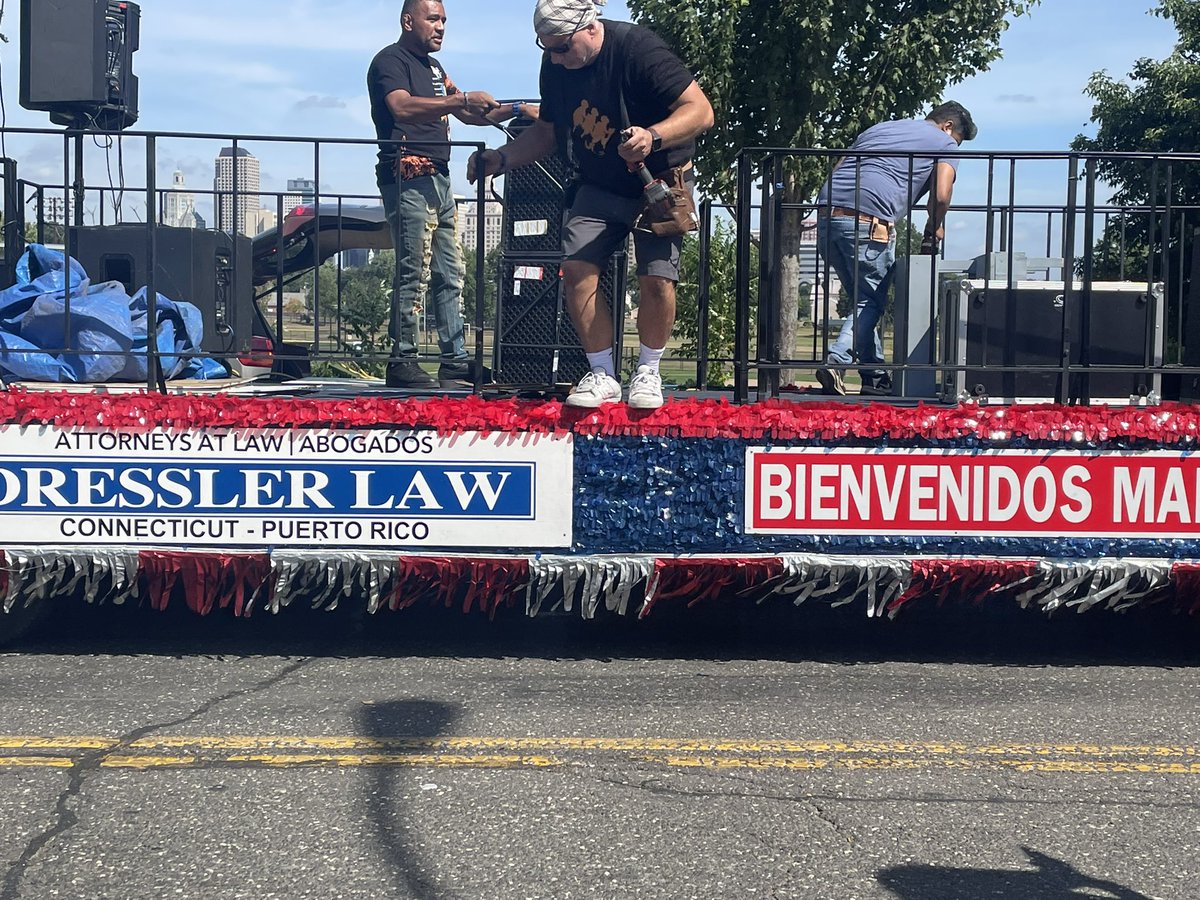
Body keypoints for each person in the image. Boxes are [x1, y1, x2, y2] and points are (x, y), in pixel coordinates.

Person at [467, 0, 713, 409]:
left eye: (562, 47)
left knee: (657, 279)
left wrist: (653, 136)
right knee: (577, 269)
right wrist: (501, 159)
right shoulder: (556, 64)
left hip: (659, 181)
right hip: (598, 184)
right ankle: (603, 374)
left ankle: (648, 372)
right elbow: (546, 132)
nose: (555, 58)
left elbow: (701, 111)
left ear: (591, 29)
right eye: (546, 48)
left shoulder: (639, 49)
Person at [368, 0, 537, 388]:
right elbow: (402, 108)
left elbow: (472, 114)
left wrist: (519, 109)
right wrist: (461, 100)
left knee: (451, 272)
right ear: (408, 21)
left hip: (440, 179)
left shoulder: (435, 68)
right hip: (407, 174)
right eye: (433, 19)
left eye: (444, 20)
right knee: (414, 269)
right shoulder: (390, 61)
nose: (441, 26)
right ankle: (402, 359)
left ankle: (455, 359)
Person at [814, 101, 977, 397]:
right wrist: (935, 225)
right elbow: (941, 194)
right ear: (948, 126)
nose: (956, 147)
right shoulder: (944, 142)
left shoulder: (883, 128)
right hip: (868, 221)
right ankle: (836, 361)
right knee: (871, 302)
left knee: (864, 300)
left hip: (826, 215)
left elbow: (839, 166)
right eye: (958, 142)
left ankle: (873, 376)